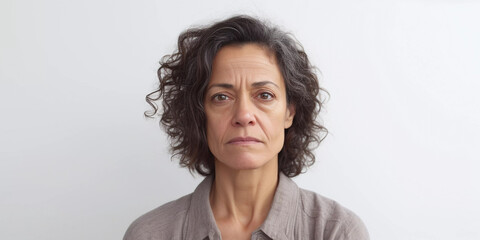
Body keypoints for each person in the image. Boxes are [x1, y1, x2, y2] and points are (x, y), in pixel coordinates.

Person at [124, 15, 369, 240]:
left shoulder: (336, 231)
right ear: (199, 114)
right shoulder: (150, 234)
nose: (243, 115)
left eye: (264, 95)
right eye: (221, 97)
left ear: (289, 112)